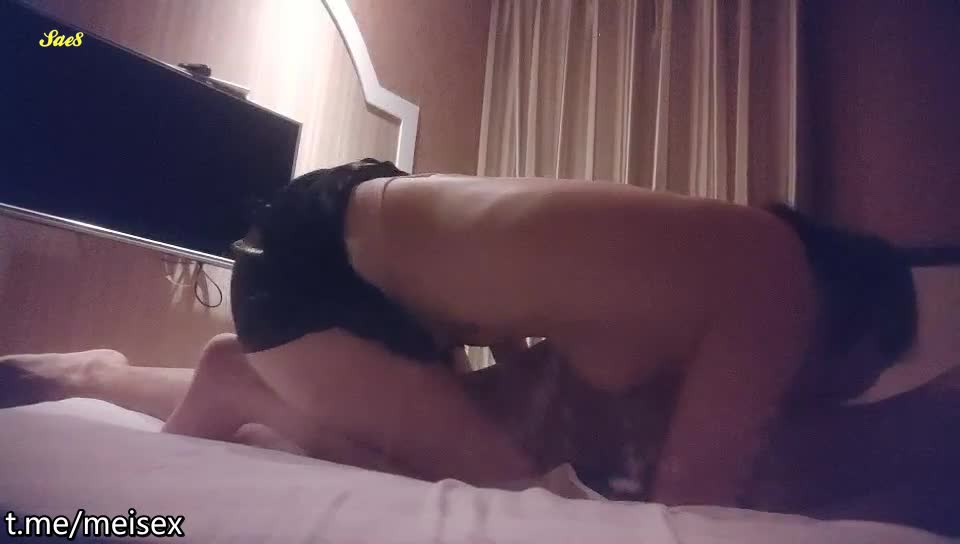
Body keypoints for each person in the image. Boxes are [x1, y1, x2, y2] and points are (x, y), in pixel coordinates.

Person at [0, 158, 918, 507]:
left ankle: (105, 375)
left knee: (426, 433)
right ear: (856, 320)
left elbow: (549, 280)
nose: (836, 389)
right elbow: (695, 498)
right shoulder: (779, 287)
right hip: (319, 266)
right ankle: (233, 379)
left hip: (357, 246)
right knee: (510, 487)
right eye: (861, 373)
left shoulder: (725, 257)